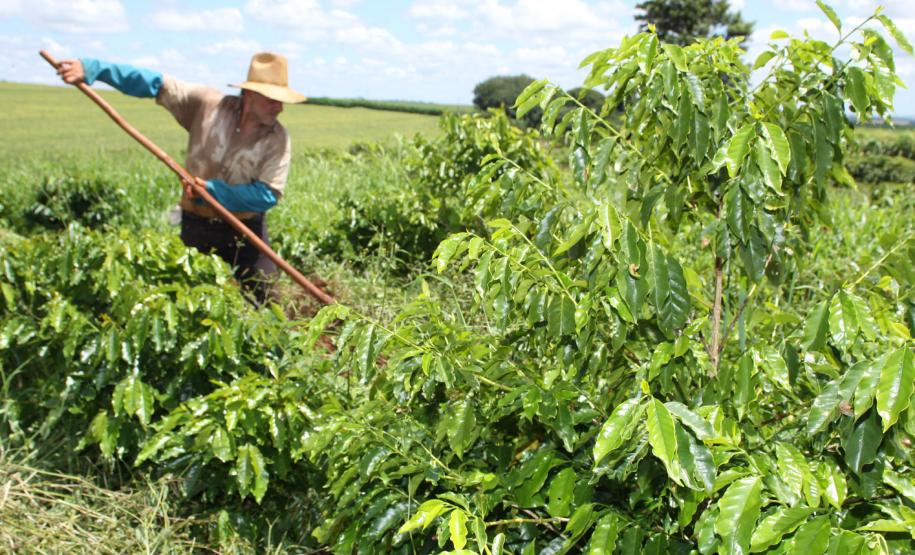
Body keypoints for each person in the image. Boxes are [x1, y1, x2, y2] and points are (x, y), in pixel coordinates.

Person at [56, 52, 305, 305]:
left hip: (245, 231)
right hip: (198, 225)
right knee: (188, 301)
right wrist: (93, 68)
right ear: (251, 95)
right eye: (273, 100)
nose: (280, 108)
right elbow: (155, 84)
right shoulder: (207, 105)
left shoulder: (277, 138)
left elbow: (266, 195)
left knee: (265, 300)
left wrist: (211, 190)